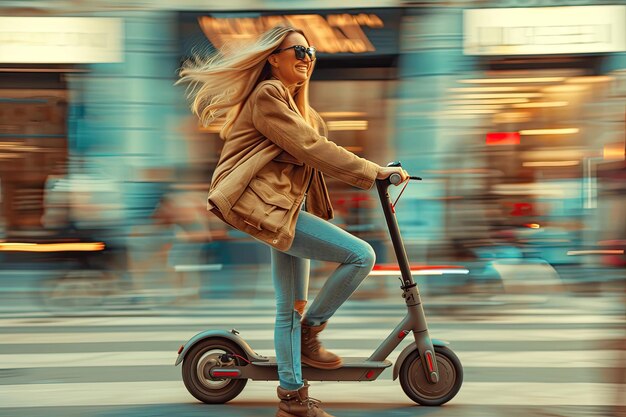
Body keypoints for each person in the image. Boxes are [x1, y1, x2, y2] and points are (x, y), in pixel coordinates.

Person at [177, 26, 408, 417]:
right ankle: (309, 334)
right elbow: (311, 149)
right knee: (361, 256)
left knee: (289, 310)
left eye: (310, 50)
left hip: (284, 213)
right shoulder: (267, 95)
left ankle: (292, 400)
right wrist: (374, 172)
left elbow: (311, 158)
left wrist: (349, 190)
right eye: (297, 49)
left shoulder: (299, 109)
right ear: (273, 57)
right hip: (270, 209)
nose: (306, 56)